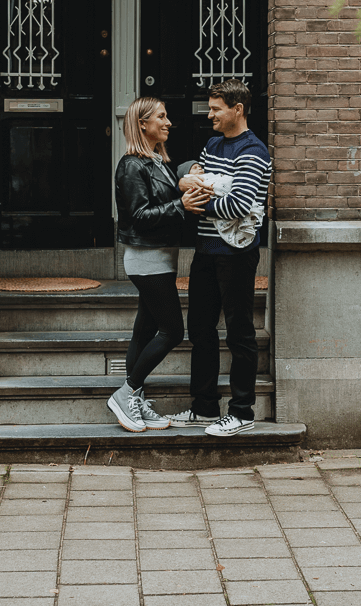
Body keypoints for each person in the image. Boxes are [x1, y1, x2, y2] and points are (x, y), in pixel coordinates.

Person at [167, 79, 273, 437]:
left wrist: (200, 199)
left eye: (216, 108)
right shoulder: (213, 144)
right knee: (200, 328)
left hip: (237, 254)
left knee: (239, 332)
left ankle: (242, 411)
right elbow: (189, 178)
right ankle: (204, 407)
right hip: (205, 251)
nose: (209, 114)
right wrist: (200, 186)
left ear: (237, 109)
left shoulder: (254, 150)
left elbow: (239, 204)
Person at [110, 96, 206, 433]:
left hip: (159, 257)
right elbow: (138, 217)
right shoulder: (132, 165)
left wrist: (191, 171)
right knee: (173, 331)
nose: (168, 123)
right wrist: (180, 205)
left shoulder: (155, 161)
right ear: (142, 124)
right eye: (161, 117)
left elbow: (176, 178)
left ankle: (135, 397)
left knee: (145, 329)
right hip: (146, 259)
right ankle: (126, 393)